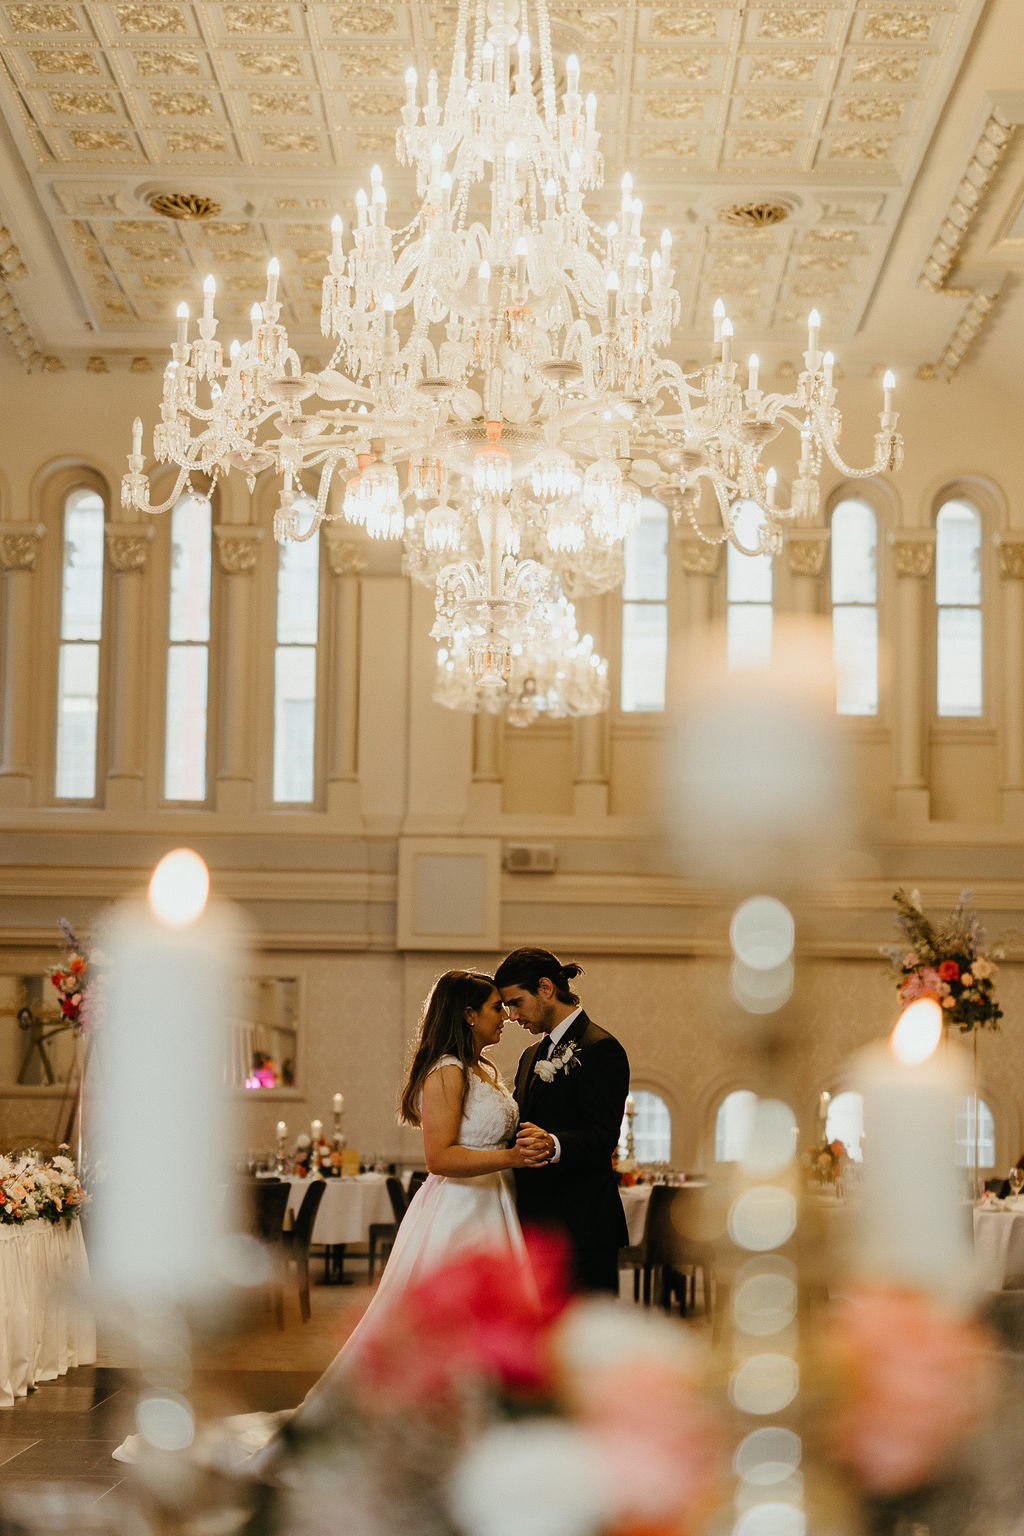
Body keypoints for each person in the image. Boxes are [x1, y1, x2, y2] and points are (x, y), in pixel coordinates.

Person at [115, 969, 549, 1470]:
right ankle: (431, 1421)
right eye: (496, 1007)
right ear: (469, 1014)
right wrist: (512, 1159)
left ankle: (485, 1421)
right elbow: (440, 1158)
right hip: (459, 1208)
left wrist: (524, 1143)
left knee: (489, 1315)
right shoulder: (446, 1070)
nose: (505, 1017)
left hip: (493, 1202)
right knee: (443, 1320)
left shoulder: (485, 1070)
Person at [495, 947, 629, 1295]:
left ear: (545, 988)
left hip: (582, 1227)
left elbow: (602, 1136)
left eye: (516, 1002)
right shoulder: (530, 1056)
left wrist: (553, 1145)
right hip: (534, 1226)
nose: (511, 1016)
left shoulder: (601, 1047)